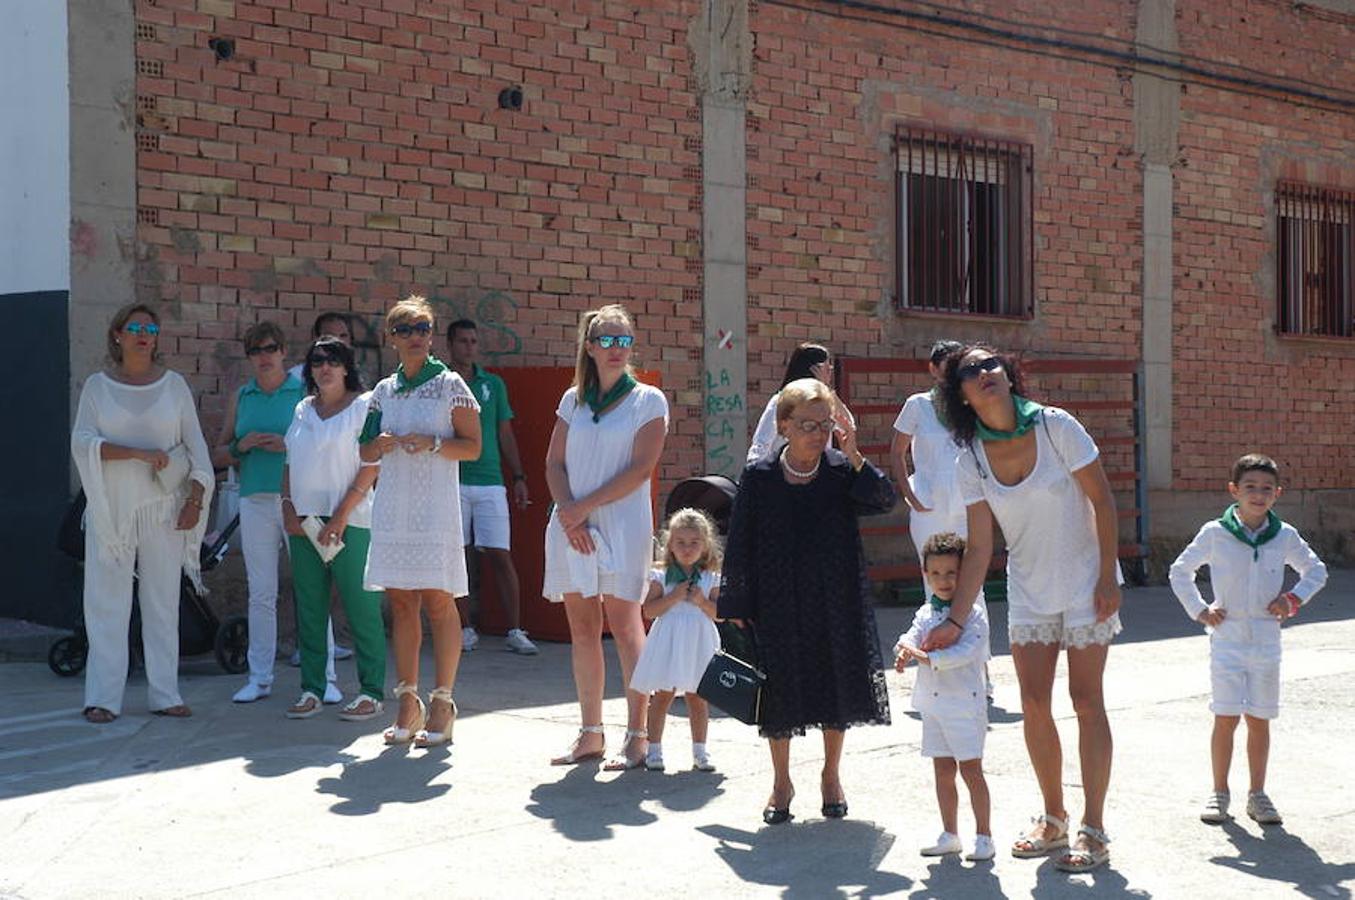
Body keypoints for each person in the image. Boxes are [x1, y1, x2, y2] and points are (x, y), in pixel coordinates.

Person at [926, 343, 1121, 872]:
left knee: (1086, 702)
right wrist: (955, 620)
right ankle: (1054, 819)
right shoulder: (969, 459)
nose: (985, 373)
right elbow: (981, 547)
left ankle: (1094, 829)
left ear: (1009, 376)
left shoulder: (1058, 426)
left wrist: (1107, 575)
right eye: (971, 370)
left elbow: (1102, 500)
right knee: (1034, 705)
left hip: (1086, 583)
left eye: (993, 364)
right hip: (1031, 590)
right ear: (960, 395)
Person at [718, 377, 895, 824]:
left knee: (835, 685)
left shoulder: (840, 470)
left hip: (835, 597)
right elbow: (739, 543)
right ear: (783, 425)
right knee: (780, 692)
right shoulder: (759, 477)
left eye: (825, 424)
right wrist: (736, 604)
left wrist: (854, 451)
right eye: (807, 424)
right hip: (777, 600)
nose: (817, 433)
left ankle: (831, 776)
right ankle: (781, 782)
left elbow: (883, 500)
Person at [71, 303, 213, 722]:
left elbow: (198, 449)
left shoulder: (174, 386)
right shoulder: (97, 387)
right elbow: (82, 442)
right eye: (134, 327)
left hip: (163, 508)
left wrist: (195, 500)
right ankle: (102, 697)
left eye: (150, 327)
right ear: (117, 335)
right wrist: (134, 453)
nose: (143, 333)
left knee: (163, 601)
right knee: (105, 602)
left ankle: (165, 693)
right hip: (111, 513)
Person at [1168, 453, 1327, 827]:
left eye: (1266, 489)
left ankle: (1258, 794)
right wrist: (1200, 610)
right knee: (1225, 716)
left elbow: (1315, 571)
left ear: (1278, 494)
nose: (1258, 495)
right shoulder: (1215, 533)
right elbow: (1180, 571)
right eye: (1250, 487)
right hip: (1227, 638)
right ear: (1234, 490)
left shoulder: (1284, 535)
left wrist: (1291, 599)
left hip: (1267, 639)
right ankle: (1219, 792)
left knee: (1260, 718)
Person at [543, 304, 669, 771]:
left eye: (624, 340)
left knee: (626, 625)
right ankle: (590, 734)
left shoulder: (649, 401)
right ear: (590, 347)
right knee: (581, 629)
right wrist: (569, 514)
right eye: (607, 341)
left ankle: (638, 736)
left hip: (621, 525)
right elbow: (554, 463)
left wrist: (582, 509)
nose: (617, 349)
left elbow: (640, 469)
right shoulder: (572, 399)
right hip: (572, 526)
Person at [360, 296, 482, 747]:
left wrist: (432, 442)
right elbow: (364, 450)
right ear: (391, 337)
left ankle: (444, 701)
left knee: (437, 598)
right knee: (401, 601)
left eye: (424, 328)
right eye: (406, 329)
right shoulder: (382, 391)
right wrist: (382, 444)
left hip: (434, 508)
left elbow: (472, 446)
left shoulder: (450, 384)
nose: (416, 336)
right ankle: (408, 702)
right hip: (393, 507)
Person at [213, 322, 341, 705]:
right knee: (261, 591)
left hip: (302, 500)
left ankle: (327, 676)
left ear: (284, 351)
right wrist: (242, 445)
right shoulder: (243, 396)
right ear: (249, 356)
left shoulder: (303, 391)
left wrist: (285, 445)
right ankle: (259, 677)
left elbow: (325, 443)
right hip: (255, 499)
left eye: (270, 348)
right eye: (255, 350)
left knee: (313, 588)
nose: (264, 356)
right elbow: (219, 453)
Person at [281, 337, 389, 721]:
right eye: (317, 361)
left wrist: (342, 516)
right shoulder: (301, 409)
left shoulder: (363, 406)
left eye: (333, 360)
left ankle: (371, 691)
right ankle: (312, 689)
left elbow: (372, 465)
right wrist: (288, 508)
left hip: (352, 522)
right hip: (305, 523)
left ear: (346, 367)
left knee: (362, 608)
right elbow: (290, 463)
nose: (324, 367)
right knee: (309, 609)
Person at [894, 532, 993, 861]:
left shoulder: (974, 615)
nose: (944, 580)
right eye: (935, 573)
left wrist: (925, 658)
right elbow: (911, 635)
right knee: (942, 771)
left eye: (951, 572)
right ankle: (950, 833)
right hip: (933, 706)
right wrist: (905, 650)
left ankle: (984, 835)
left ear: (964, 574)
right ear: (925, 575)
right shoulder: (926, 612)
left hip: (964, 706)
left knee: (971, 771)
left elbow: (965, 652)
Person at [444, 318, 537, 655]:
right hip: (451, 478)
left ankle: (515, 629)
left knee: (500, 553)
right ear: (450, 344)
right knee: (459, 555)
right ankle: (465, 628)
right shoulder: (441, 382)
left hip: (491, 481)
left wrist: (519, 476)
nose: (469, 347)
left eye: (473, 341)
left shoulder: (493, 385)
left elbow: (505, 433)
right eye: (462, 341)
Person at [630, 508, 723, 774]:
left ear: (705, 545)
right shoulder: (660, 575)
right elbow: (649, 611)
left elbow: (719, 615)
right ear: (670, 543)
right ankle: (655, 749)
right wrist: (673, 597)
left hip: (698, 643)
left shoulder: (710, 577)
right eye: (680, 542)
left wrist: (701, 601)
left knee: (698, 697)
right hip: (669, 641)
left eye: (694, 543)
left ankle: (700, 751)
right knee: (662, 695)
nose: (687, 548)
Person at [746, 342, 853, 463]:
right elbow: (761, 443)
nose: (830, 374)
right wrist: (754, 473)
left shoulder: (826, 404)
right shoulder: (782, 401)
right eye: (827, 369)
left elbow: (847, 427)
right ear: (813, 370)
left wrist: (827, 389)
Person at [286, 312, 353, 383]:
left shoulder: (361, 374)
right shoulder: (296, 377)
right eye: (331, 336)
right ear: (316, 339)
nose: (339, 341)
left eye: (343, 336)